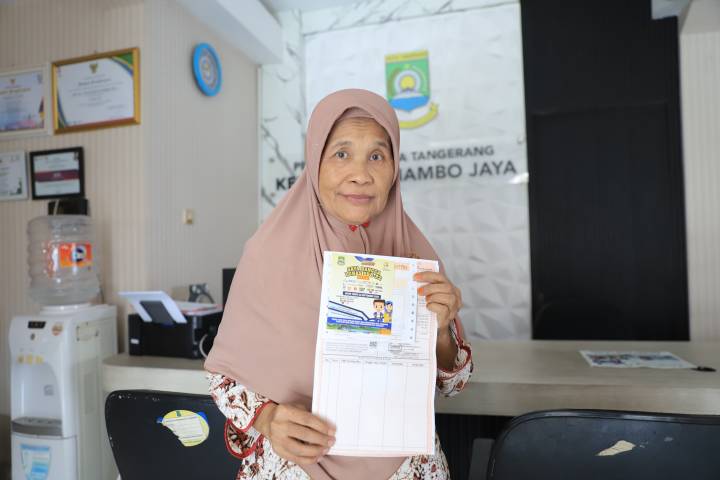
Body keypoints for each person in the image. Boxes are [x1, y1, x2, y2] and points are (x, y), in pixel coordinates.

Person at [205, 89, 473, 480]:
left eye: (377, 156)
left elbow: (454, 384)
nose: (360, 174)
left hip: (406, 467)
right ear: (315, 161)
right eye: (342, 154)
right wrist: (267, 419)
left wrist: (443, 330)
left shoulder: (414, 255)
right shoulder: (267, 254)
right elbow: (224, 375)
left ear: (394, 167)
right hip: (297, 467)